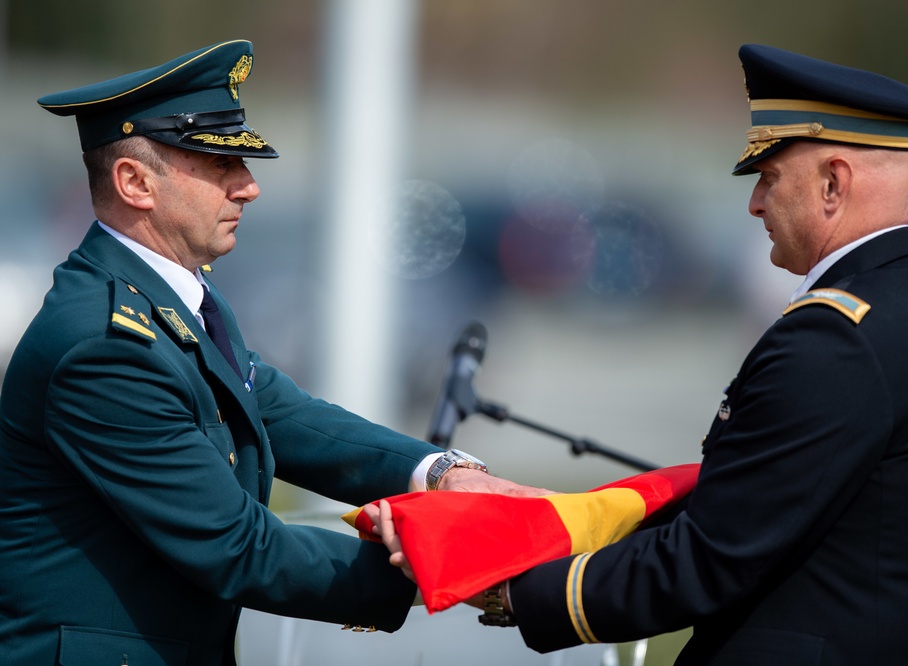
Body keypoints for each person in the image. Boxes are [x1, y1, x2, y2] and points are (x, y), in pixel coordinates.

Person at [372, 44, 908, 664]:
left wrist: (516, 589)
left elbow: (716, 555)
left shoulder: (836, 339)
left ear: (833, 184)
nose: (755, 203)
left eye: (770, 178)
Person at [0, 39, 543, 666]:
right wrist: (448, 561)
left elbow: (281, 414)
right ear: (134, 182)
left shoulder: (174, 299)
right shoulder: (104, 344)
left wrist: (445, 474)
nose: (250, 187)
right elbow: (235, 545)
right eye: (220, 165)